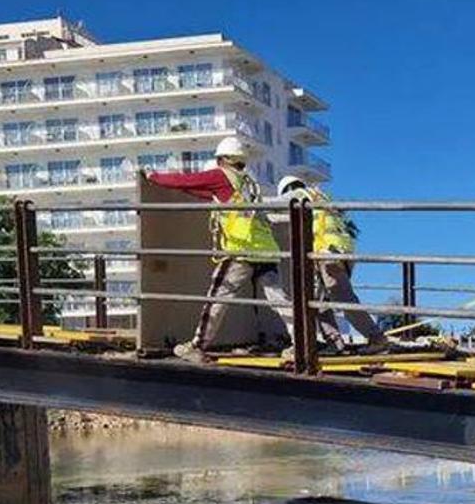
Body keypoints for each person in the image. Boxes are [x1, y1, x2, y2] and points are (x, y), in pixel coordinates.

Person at [146, 136, 296, 363]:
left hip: (241, 249)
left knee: (218, 298)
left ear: (223, 159)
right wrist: (189, 189)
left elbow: (187, 180)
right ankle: (301, 341)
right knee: (279, 299)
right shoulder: (247, 182)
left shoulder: (220, 175)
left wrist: (153, 177)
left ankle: (197, 346)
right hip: (265, 249)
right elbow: (208, 193)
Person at [278, 175, 387, 353]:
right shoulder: (320, 196)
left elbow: (275, 204)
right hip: (338, 251)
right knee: (319, 300)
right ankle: (334, 342)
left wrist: (250, 203)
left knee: (342, 298)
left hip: (328, 252)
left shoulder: (299, 194)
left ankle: (376, 338)